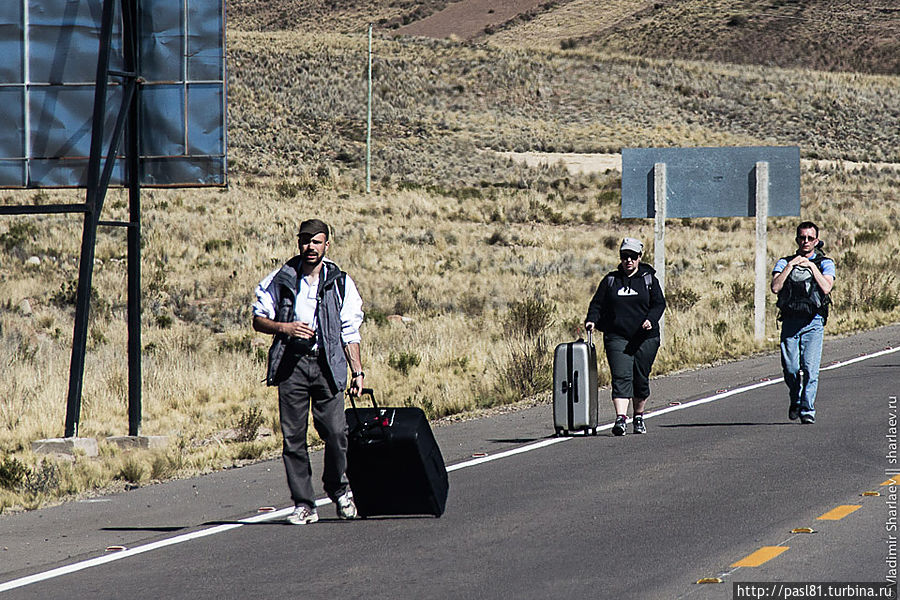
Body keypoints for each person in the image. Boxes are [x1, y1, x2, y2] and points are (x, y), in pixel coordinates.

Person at [252, 218, 365, 524]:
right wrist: (284, 327)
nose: (310, 247)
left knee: (336, 432)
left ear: (327, 245)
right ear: (298, 243)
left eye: (317, 242)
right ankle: (304, 504)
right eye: (305, 241)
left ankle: (338, 489)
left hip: (327, 363)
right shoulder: (282, 278)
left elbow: (349, 330)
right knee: (293, 438)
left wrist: (357, 371)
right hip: (293, 366)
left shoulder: (340, 281)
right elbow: (258, 318)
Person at [585, 237, 666, 436]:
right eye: (624, 256)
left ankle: (638, 416)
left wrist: (651, 320)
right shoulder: (611, 280)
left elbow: (659, 304)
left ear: (640, 257)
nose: (628, 260)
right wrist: (591, 320)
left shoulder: (649, 280)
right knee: (621, 376)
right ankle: (621, 419)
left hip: (645, 338)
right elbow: (597, 304)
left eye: (632, 256)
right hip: (617, 336)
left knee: (640, 378)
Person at [771, 221, 835, 425]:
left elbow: (826, 287)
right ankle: (795, 397)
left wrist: (810, 267)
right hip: (790, 321)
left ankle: (808, 409)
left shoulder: (825, 263)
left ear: (816, 240)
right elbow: (775, 287)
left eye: (810, 238)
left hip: (813, 322)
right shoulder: (784, 262)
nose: (805, 241)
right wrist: (791, 265)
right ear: (796, 239)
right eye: (802, 237)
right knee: (790, 368)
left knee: (810, 368)